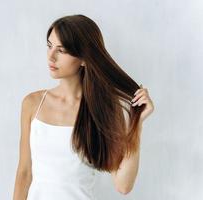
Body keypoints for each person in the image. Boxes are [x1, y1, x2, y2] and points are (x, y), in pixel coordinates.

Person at [12, 14, 154, 200]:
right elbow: (24, 173)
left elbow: (123, 185)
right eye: (49, 45)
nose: (51, 56)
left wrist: (138, 123)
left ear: (84, 59)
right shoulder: (32, 104)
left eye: (61, 50)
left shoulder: (103, 111)